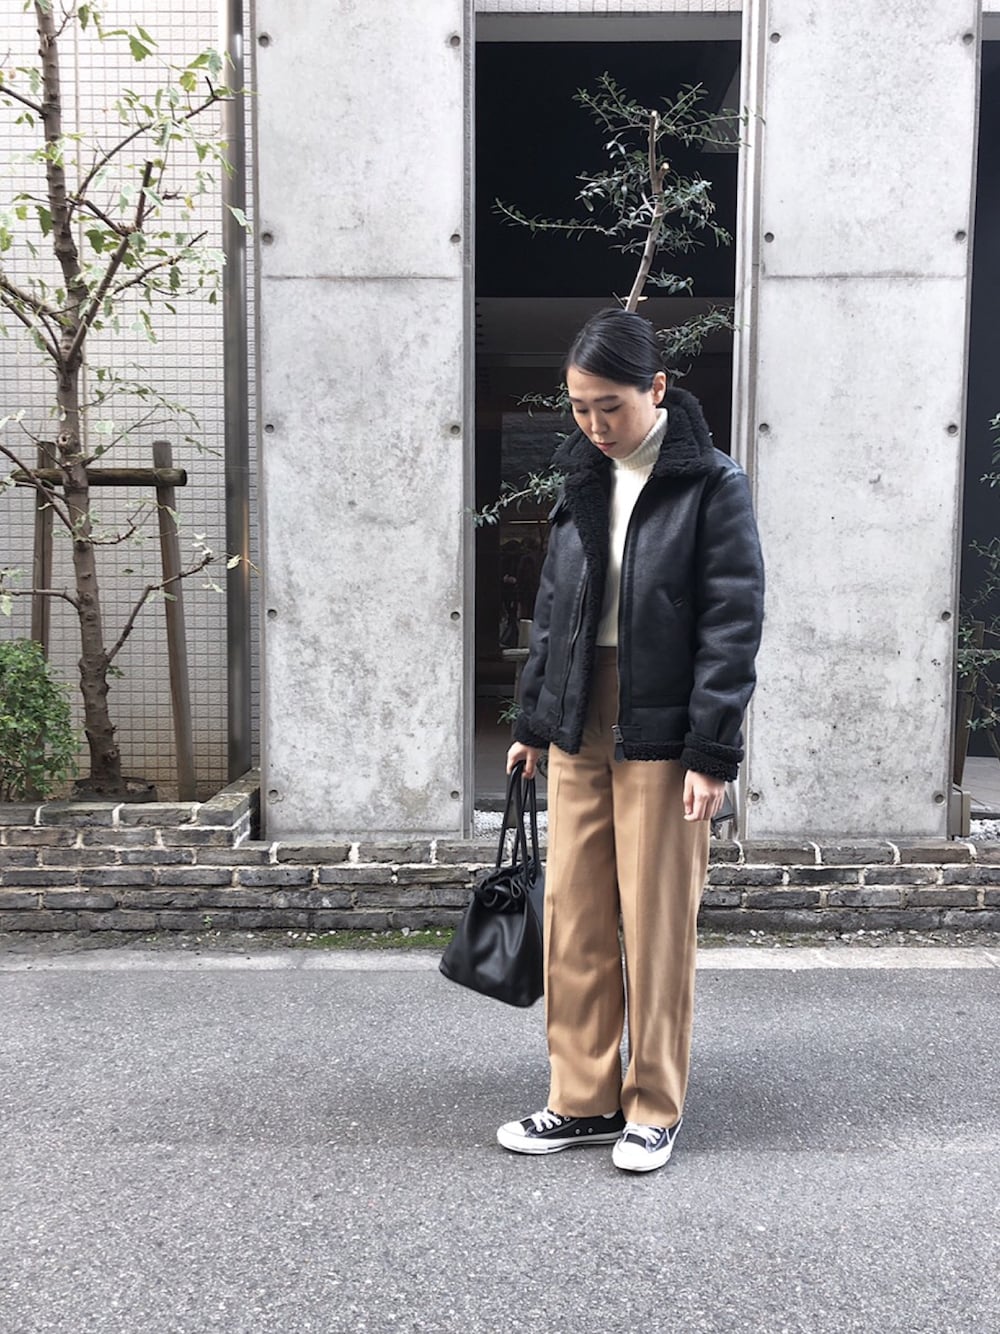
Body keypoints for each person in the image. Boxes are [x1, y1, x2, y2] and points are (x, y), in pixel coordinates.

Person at [497, 307, 764, 1174]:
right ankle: (582, 1099)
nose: (594, 425)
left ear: (656, 388)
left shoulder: (711, 483)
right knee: (574, 916)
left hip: (664, 722)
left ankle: (653, 1106)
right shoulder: (581, 477)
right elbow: (552, 610)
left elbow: (732, 624)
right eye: (580, 407)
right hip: (579, 715)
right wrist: (533, 723)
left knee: (654, 923)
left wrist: (711, 753)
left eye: (609, 406)